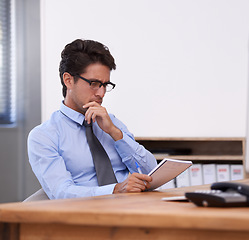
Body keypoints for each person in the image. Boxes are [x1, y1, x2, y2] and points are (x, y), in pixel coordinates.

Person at [27, 39, 157, 199]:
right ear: (68, 80)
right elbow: (61, 192)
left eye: (105, 84)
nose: (101, 93)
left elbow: (151, 172)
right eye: (94, 83)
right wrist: (115, 190)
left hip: (132, 208)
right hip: (86, 216)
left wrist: (115, 134)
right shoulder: (44, 136)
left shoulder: (112, 122)